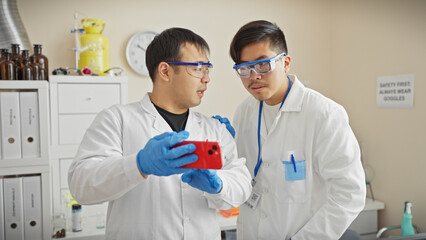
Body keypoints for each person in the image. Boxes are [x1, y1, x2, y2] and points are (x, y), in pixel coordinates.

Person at [68, 27, 252, 240]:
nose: (206, 79)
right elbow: (81, 186)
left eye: (207, 69)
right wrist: (138, 165)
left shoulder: (214, 129)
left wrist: (219, 185)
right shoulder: (117, 120)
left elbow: (242, 184)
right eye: (198, 68)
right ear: (164, 71)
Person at [220, 20, 366, 239]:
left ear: (285, 63)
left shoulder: (324, 114)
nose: (253, 76)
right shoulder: (244, 111)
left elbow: (350, 194)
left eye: (262, 65)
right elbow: (244, 176)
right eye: (243, 68)